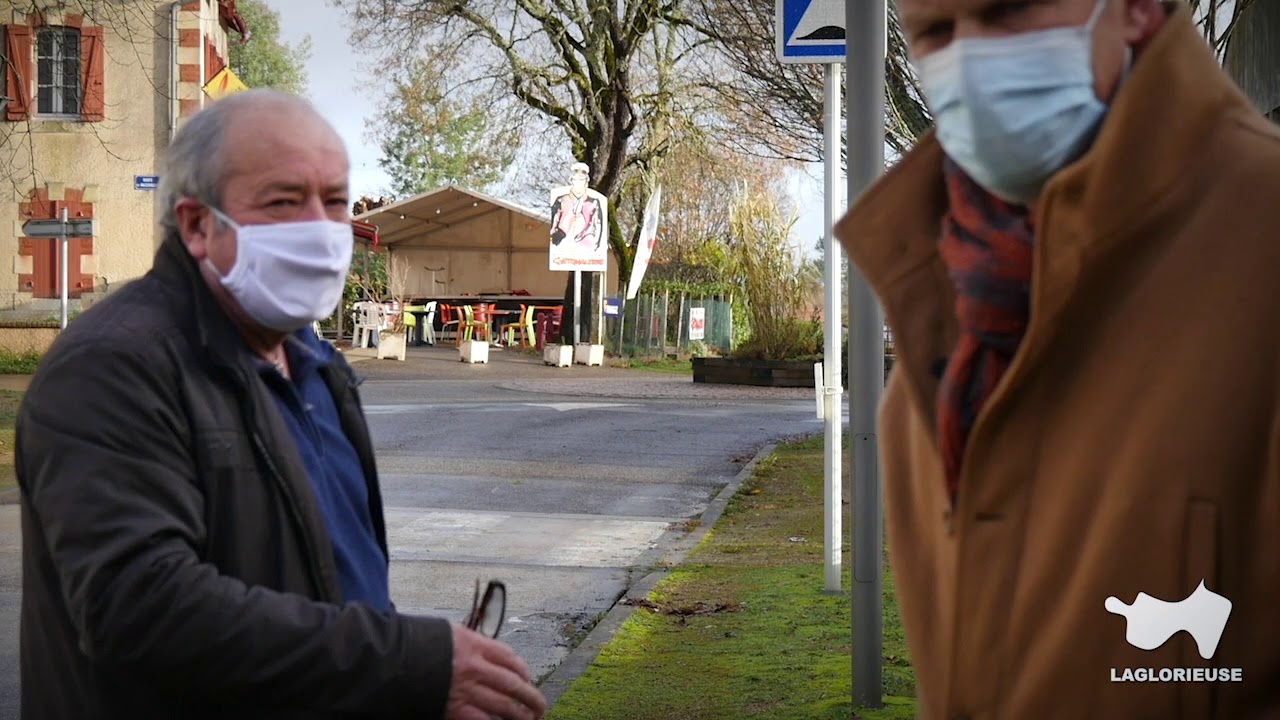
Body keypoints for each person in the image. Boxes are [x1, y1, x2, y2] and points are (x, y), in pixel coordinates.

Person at [15, 90, 547, 720]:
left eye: (334, 202)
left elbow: (332, 594)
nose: (320, 229)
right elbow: (139, 610)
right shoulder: (113, 367)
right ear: (196, 225)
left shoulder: (318, 368)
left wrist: (398, 687)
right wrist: (408, 662)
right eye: (283, 202)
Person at [835, 1, 1280, 718]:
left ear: (1134, 10)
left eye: (1008, 11)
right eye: (937, 34)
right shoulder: (935, 326)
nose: (972, 65)